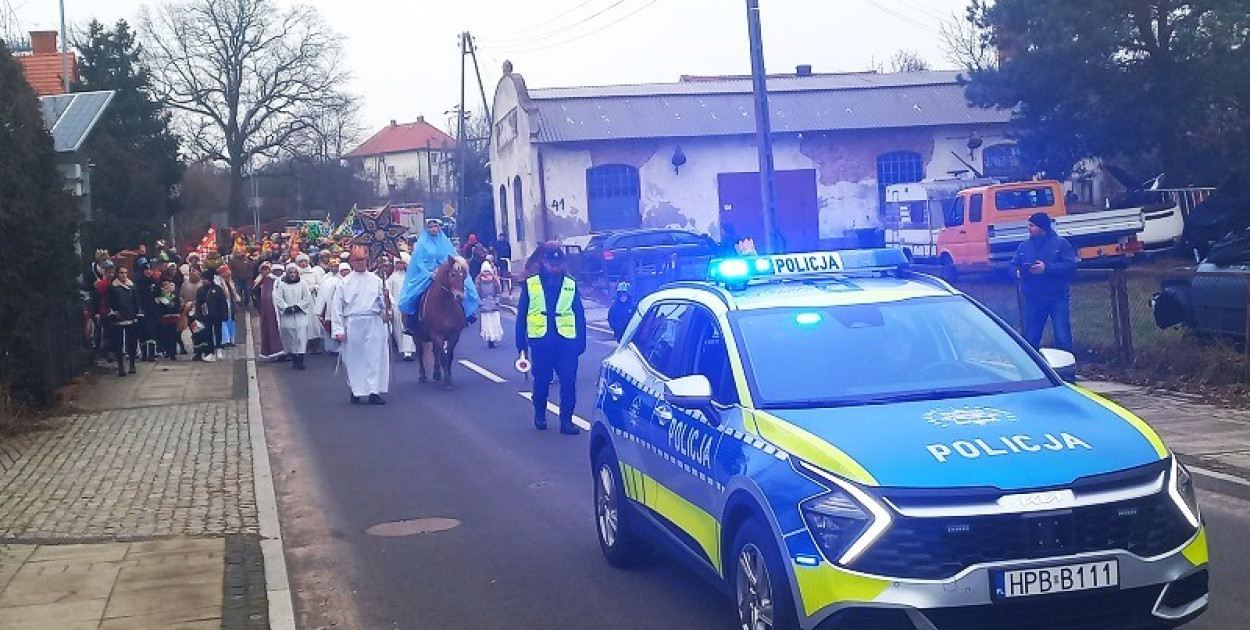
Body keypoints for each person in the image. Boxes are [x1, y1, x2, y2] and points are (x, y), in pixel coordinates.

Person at [516, 245, 586, 434]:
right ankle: (540, 413)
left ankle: (566, 421)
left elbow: (579, 313)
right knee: (542, 380)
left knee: (569, 380)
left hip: (566, 341)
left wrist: (581, 341)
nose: (555, 267)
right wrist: (520, 343)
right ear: (544, 263)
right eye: (551, 263)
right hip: (541, 340)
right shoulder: (531, 284)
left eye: (558, 263)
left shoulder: (570, 284)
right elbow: (522, 314)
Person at [397, 218, 480, 334]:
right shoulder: (421, 244)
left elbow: (452, 257)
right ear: (427, 229)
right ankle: (412, 322)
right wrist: (429, 273)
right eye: (431, 227)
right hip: (427, 275)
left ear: (439, 228)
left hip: (445, 273)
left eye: (435, 226)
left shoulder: (445, 242)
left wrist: (451, 268)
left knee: (462, 288)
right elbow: (418, 262)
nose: (433, 229)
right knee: (414, 294)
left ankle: (467, 315)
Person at [1010, 212, 1077, 352]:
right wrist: (1019, 272)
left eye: (1032, 225)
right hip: (1033, 299)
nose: (1029, 228)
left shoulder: (1061, 244)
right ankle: (1034, 370)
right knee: (1031, 339)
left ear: (1042, 227)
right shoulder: (1024, 247)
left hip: (1057, 298)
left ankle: (1066, 372)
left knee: (1062, 337)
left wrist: (1046, 269)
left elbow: (1069, 266)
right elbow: (1012, 265)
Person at [333, 247, 392, 405]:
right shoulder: (344, 283)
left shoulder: (377, 281)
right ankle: (356, 390)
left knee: (374, 357)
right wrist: (338, 330)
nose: (361, 263)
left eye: (363, 259)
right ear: (351, 262)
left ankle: (374, 391)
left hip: (373, 321)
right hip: (353, 323)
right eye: (357, 260)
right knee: (354, 359)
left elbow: (385, 306)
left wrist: (386, 299)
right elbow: (337, 308)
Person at [273, 265, 313, 370]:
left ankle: (301, 359)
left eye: (294, 273)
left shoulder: (302, 284)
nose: (292, 275)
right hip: (288, 315)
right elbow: (278, 298)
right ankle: (294, 359)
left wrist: (298, 307)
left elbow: (307, 297)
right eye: (290, 273)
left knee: (301, 336)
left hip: (300, 314)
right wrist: (286, 308)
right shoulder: (282, 285)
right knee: (290, 337)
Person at [106, 266, 142, 377]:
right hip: (119, 320)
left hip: (131, 318)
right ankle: (121, 367)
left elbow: (136, 301)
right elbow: (109, 302)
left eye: (126, 272)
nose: (124, 275)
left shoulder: (132, 286)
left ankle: (132, 365)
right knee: (119, 344)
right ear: (117, 274)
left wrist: (137, 314)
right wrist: (114, 312)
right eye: (121, 272)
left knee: (131, 343)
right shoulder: (113, 288)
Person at [196, 267, 230, 362]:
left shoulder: (217, 289)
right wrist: (198, 315)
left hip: (217, 314)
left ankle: (218, 348)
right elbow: (199, 303)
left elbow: (223, 302)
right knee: (208, 333)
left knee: (218, 332)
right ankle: (210, 352)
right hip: (206, 315)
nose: (203, 281)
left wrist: (225, 314)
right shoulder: (200, 290)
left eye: (204, 279)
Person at [386, 258, 416, 360]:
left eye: (402, 263)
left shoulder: (410, 277)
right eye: (398, 263)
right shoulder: (392, 278)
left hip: (408, 306)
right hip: (396, 306)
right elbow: (388, 292)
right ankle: (402, 348)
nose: (400, 265)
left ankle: (408, 351)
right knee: (398, 328)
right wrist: (392, 304)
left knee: (408, 327)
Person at [317, 261, 350, 354]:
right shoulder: (333, 281)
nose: (345, 273)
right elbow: (326, 296)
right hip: (333, 308)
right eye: (343, 271)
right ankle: (333, 349)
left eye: (347, 271)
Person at [476, 261, 504, 348]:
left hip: (494, 305)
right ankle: (489, 339)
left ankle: (494, 338)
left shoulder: (495, 280)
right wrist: (480, 302)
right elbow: (477, 294)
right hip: (484, 306)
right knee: (487, 324)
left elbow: (498, 292)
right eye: (484, 271)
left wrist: (496, 301)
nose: (486, 273)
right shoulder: (478, 281)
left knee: (495, 323)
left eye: (487, 271)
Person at [153, 279, 182, 360]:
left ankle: (173, 353)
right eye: (164, 285)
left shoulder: (174, 295)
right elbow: (158, 308)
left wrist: (172, 305)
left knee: (173, 336)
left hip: (173, 318)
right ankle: (166, 351)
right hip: (164, 319)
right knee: (165, 335)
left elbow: (177, 306)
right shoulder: (160, 296)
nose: (166, 287)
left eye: (167, 285)